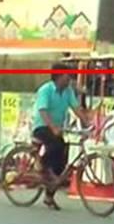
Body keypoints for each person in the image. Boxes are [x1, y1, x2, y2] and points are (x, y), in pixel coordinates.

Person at [31, 64, 90, 210]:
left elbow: (76, 108)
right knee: (56, 145)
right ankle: (41, 165)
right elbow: (43, 111)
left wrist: (87, 124)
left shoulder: (68, 91)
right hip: (42, 126)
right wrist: (53, 127)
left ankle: (49, 196)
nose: (69, 79)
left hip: (57, 128)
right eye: (67, 76)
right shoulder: (46, 90)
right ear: (58, 77)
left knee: (62, 160)